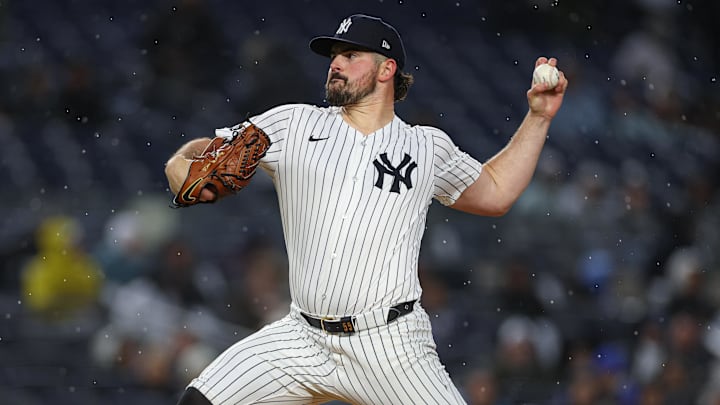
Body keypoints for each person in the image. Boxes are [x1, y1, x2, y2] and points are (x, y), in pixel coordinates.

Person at [166, 14, 568, 405]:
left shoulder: (426, 147)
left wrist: (538, 117)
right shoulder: (292, 123)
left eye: (351, 54)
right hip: (301, 337)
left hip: (390, 344)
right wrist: (183, 161)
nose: (335, 63)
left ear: (386, 69)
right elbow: (198, 162)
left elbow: (495, 193)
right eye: (333, 56)